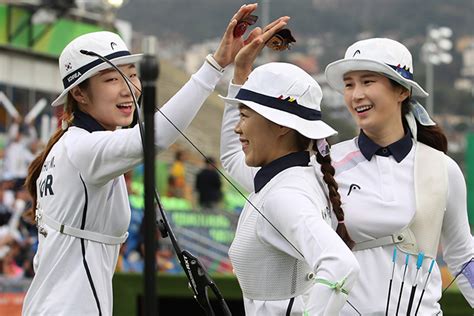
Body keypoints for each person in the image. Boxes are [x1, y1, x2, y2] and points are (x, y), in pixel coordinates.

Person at [21, 4, 260, 315]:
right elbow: (154, 137)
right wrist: (215, 65)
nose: (129, 89)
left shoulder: (71, 146)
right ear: (79, 94)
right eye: (112, 80)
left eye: (131, 75)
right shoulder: (83, 148)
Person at [324, 37, 474, 314]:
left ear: (402, 91)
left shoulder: (442, 167)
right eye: (349, 84)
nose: (356, 94)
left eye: (368, 82)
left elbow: (463, 257)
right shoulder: (325, 164)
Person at [220, 20, 359, 315]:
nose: (237, 128)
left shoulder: (285, 193)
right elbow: (232, 157)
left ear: (281, 125)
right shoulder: (289, 177)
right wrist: (241, 73)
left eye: (244, 116)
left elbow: (341, 265)